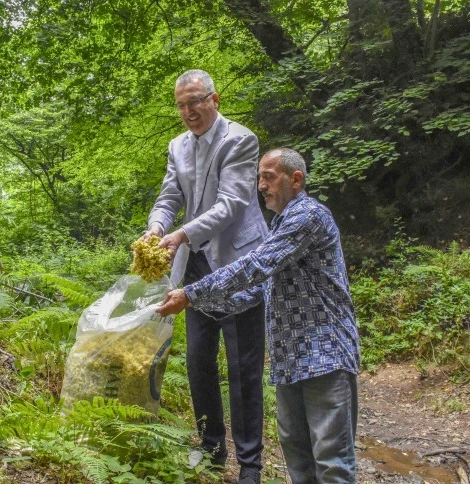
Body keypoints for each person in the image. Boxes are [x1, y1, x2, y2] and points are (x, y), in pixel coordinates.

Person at [157, 148, 361, 483]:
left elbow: (255, 265)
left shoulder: (308, 216)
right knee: (298, 460)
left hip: (325, 357)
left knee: (331, 462)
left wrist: (191, 292)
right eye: (258, 177)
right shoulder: (282, 224)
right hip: (290, 362)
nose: (261, 185)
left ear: (295, 179)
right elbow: (255, 291)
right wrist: (188, 304)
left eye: (268, 176)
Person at [140, 69, 268, 483]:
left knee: (243, 368)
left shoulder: (241, 140)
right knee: (198, 361)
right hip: (195, 265)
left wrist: (181, 233)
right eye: (181, 104)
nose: (189, 111)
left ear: (214, 99)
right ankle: (212, 448)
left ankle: (250, 466)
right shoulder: (177, 145)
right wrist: (158, 227)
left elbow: (232, 203)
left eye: (196, 101)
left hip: (238, 264)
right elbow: (170, 195)